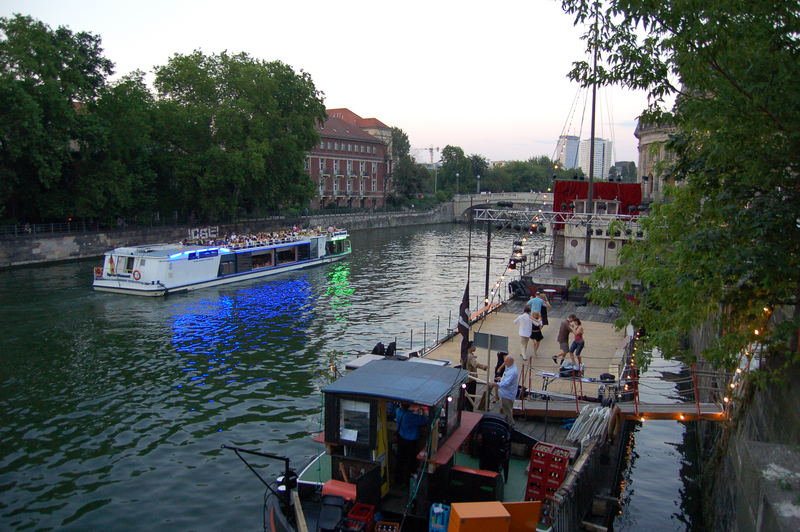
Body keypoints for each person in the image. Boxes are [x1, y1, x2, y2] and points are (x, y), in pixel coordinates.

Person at [394, 403, 428, 486]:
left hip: (401, 439)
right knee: (411, 462)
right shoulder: (410, 417)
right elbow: (424, 420)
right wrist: (423, 411)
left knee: (400, 461)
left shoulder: (398, 411)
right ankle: (408, 483)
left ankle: (398, 481)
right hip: (410, 441)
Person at [488, 354, 519, 425]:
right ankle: (508, 423)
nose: (504, 363)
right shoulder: (510, 367)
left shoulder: (512, 372)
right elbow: (506, 379)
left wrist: (495, 384)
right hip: (506, 393)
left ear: (510, 362)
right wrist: (501, 379)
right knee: (506, 409)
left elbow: (506, 383)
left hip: (507, 395)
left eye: (505, 362)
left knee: (507, 411)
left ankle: (510, 424)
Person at [464, 341, 488, 411]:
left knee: (466, 395)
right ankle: (470, 409)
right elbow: (475, 364)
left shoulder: (465, 354)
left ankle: (466, 407)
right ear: (470, 347)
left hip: (466, 378)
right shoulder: (470, 356)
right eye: (474, 346)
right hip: (471, 378)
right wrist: (484, 367)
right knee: (471, 395)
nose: (475, 347)